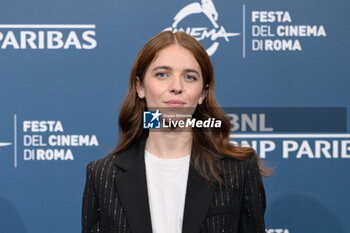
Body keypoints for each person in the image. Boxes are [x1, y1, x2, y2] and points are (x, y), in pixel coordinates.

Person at [81, 31, 269, 233]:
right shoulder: (102, 175)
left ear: (203, 94)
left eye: (189, 77)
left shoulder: (238, 169)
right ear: (140, 87)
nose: (176, 87)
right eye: (162, 74)